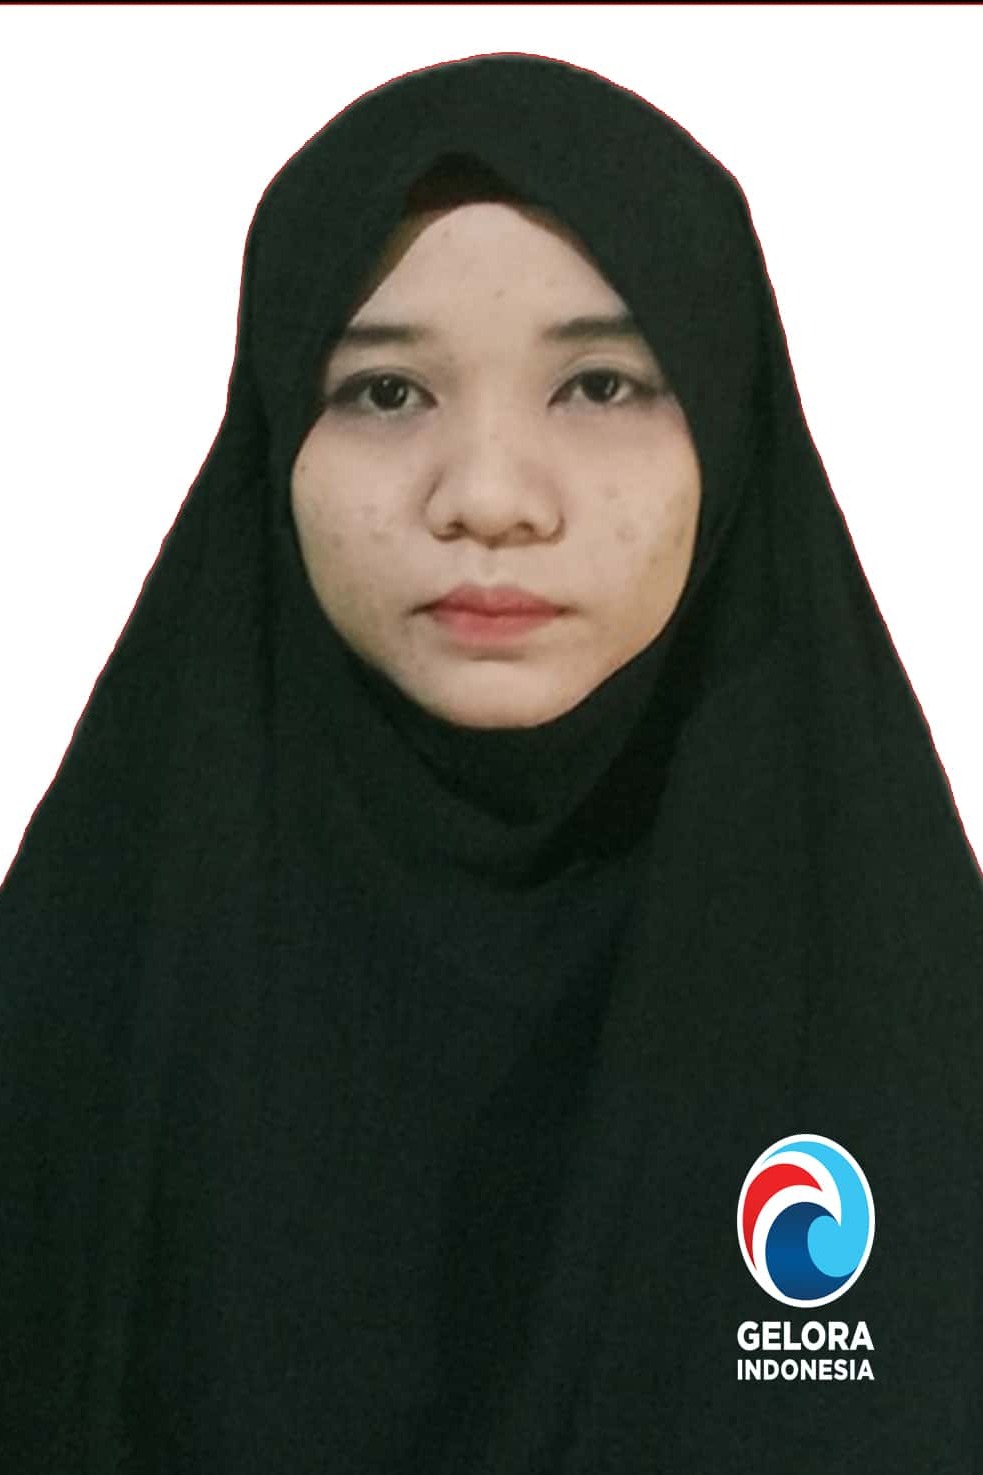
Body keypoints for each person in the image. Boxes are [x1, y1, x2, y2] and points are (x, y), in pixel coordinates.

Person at [1, 52, 981, 1474]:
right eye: (387, 391)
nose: (490, 498)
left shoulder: (916, 1026)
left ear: (732, 429)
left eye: (601, 383)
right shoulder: (77, 1011)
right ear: (275, 438)